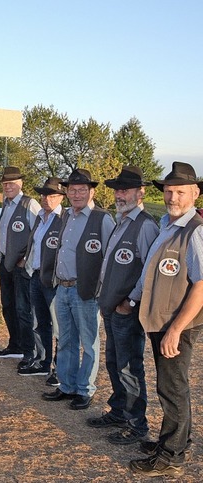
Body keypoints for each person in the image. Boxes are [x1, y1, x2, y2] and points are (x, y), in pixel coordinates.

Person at [127, 162, 203, 478]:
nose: (173, 197)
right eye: (169, 191)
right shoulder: (168, 224)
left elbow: (201, 284)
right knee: (171, 385)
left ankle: (171, 455)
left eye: (180, 192)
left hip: (177, 324)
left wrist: (175, 329)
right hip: (162, 320)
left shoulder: (194, 231)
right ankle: (174, 440)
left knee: (172, 388)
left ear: (195, 194)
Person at [86, 166, 159, 445]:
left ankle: (137, 424)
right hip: (112, 306)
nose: (119, 194)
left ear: (140, 193)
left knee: (130, 367)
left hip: (126, 309)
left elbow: (149, 272)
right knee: (115, 362)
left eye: (125, 189)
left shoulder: (145, 225)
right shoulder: (122, 220)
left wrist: (130, 301)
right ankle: (119, 412)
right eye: (117, 189)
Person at [42, 169, 114, 410]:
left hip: (86, 290)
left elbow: (108, 257)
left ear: (91, 191)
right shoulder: (66, 217)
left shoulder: (102, 218)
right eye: (72, 189)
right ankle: (67, 385)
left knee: (89, 342)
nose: (76, 194)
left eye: (82, 189)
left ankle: (85, 389)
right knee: (65, 340)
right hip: (63, 288)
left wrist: (101, 290)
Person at [0, 166, 41, 367]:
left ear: (20, 183)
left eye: (11, 183)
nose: (7, 186)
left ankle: (30, 351)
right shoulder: (6, 204)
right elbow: (3, 235)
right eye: (5, 184)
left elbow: (39, 234)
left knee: (23, 309)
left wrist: (26, 259)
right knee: (8, 306)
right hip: (6, 264)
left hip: (22, 267)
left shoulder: (30, 204)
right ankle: (15, 345)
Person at [22, 177, 65, 381]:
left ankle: (59, 369)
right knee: (38, 322)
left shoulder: (64, 218)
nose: (46, 199)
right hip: (36, 275)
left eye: (52, 195)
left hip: (54, 280)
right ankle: (43, 361)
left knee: (58, 327)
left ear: (60, 198)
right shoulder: (40, 217)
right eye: (44, 195)